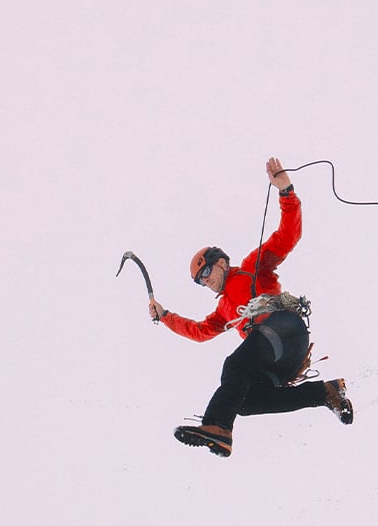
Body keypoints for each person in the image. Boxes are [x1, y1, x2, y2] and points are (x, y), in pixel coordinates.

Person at [148, 157, 353, 457]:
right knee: (245, 401)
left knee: (234, 366)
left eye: (205, 273)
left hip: (286, 330)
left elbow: (287, 236)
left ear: (221, 262)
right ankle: (326, 393)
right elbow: (198, 331)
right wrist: (165, 316)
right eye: (198, 281)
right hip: (280, 361)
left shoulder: (250, 268)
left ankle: (217, 426)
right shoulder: (224, 312)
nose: (205, 282)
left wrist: (286, 191)